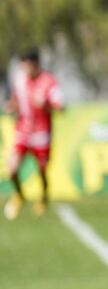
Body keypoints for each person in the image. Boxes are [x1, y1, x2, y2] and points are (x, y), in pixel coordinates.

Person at [4, 49, 63, 220]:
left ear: (35, 65)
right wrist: (11, 106)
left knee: (42, 171)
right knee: (12, 169)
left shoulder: (48, 82)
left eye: (26, 65)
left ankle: (43, 197)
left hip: (42, 134)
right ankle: (19, 196)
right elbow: (16, 101)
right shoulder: (20, 80)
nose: (24, 69)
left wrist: (45, 105)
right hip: (23, 131)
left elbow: (61, 107)